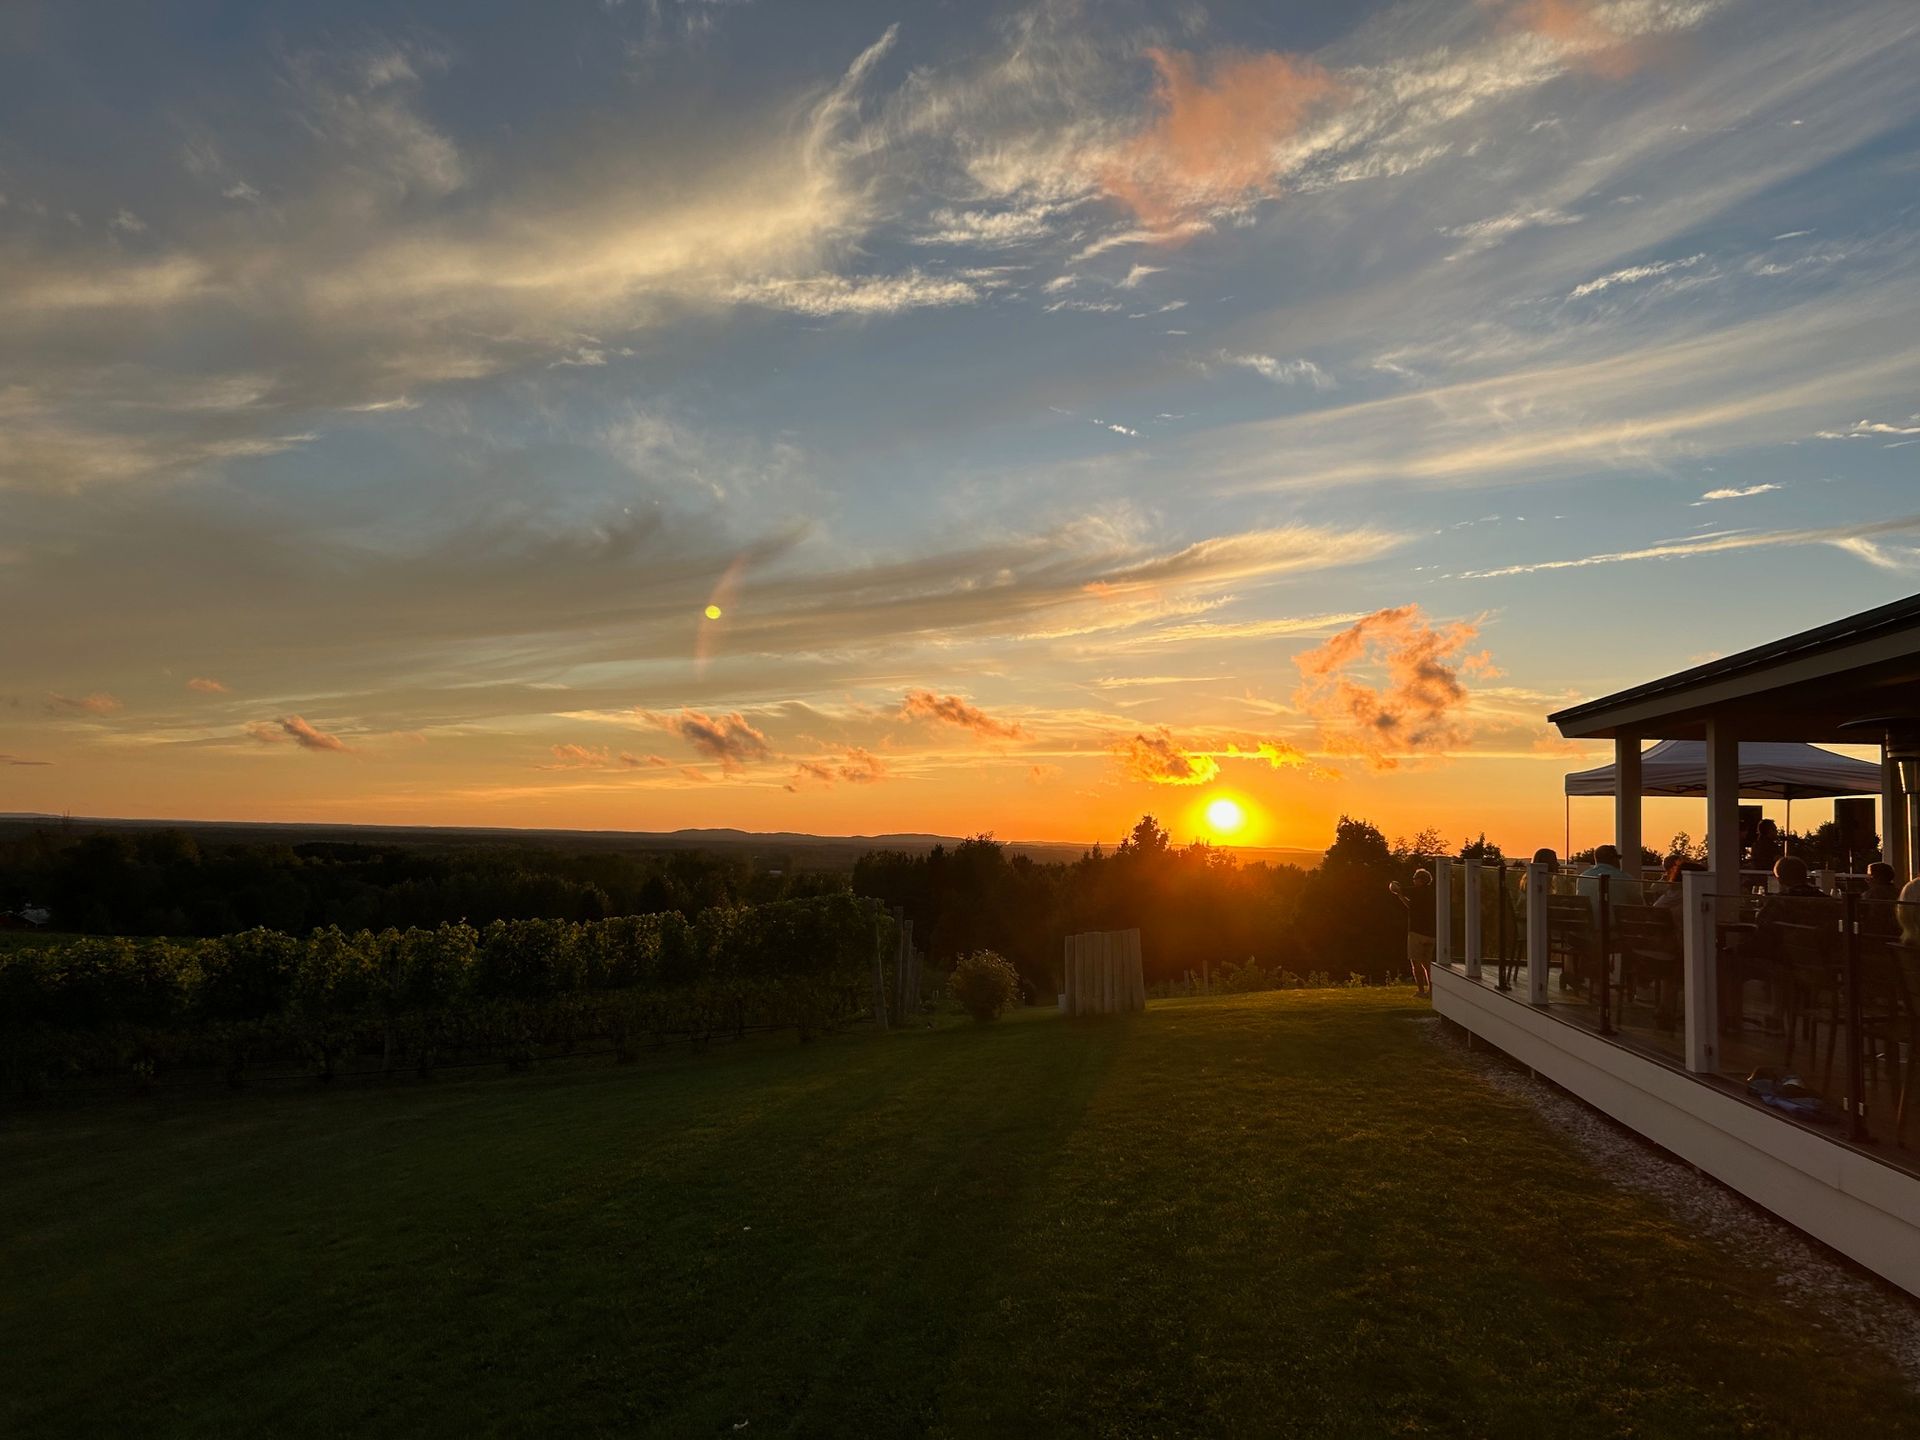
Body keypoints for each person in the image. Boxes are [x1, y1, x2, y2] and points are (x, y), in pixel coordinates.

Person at [1389, 869, 1436, 997]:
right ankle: (1432, 991)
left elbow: (1396, 888)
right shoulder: (1431, 893)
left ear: (1421, 880)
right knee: (1428, 964)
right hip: (1431, 934)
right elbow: (1411, 906)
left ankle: (1421, 991)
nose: (1413, 880)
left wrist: (1394, 886)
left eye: (1415, 878)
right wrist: (1400, 897)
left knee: (1415, 963)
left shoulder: (1416, 891)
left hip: (1416, 932)